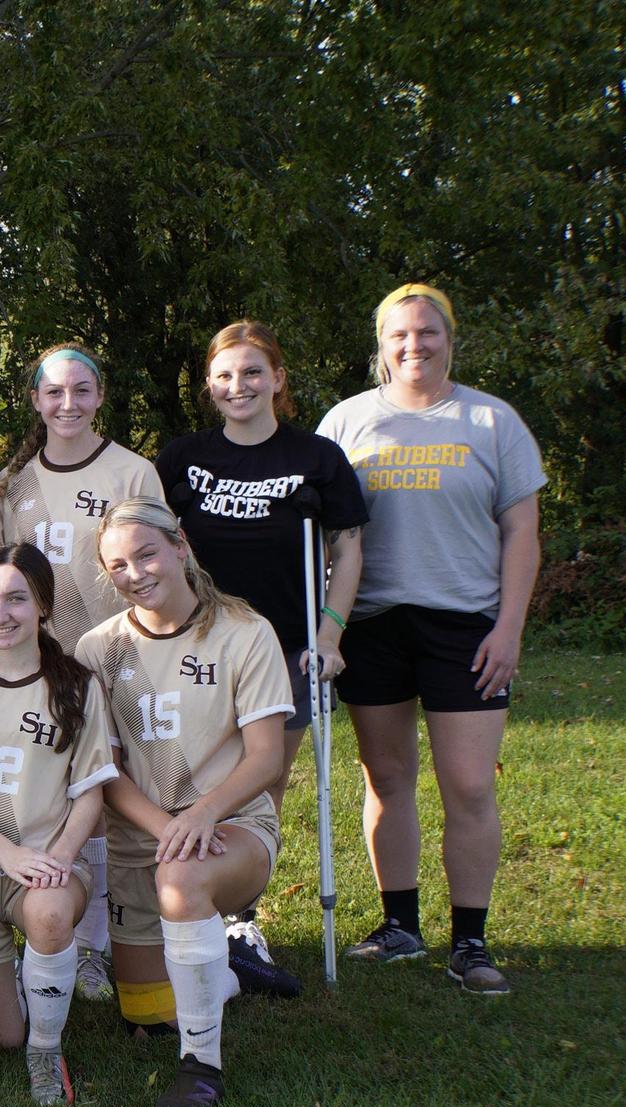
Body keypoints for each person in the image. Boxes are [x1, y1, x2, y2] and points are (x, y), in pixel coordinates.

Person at [317, 283, 543, 995]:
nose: (414, 346)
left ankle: (470, 941)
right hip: (374, 624)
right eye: (400, 336)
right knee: (386, 780)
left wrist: (509, 626)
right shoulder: (347, 421)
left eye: (427, 334)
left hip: (466, 625)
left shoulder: (491, 420)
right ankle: (400, 926)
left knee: (470, 785)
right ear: (381, 346)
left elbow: (522, 533)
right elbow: (321, 523)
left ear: (449, 338)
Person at [155, 321, 366, 980]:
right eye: (224, 375)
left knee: (260, 782)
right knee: (191, 774)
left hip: (285, 651)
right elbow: (155, 543)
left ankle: (241, 917)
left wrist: (329, 635)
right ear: (209, 387)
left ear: (277, 378)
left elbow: (348, 545)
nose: (238, 386)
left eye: (252, 373)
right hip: (199, 645)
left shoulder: (317, 457)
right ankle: (190, 906)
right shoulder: (182, 458)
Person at [77, 500, 292, 1107]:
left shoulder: (245, 633)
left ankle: (202, 1067)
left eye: (147, 553)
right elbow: (108, 771)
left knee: (181, 878)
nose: (136, 572)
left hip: (229, 827)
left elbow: (265, 758)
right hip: (142, 835)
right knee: (146, 1017)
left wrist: (201, 817)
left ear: (181, 546)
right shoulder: (99, 649)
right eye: (117, 564)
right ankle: (233, 972)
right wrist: (166, 827)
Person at [0, 344, 160, 1004]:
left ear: (99, 395)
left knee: (120, 795)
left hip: (119, 660)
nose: (67, 404)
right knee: (62, 800)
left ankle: (115, 936)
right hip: (42, 667)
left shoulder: (133, 470)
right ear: (35, 400)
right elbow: (0, 575)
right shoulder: (14, 481)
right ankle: (68, 938)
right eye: (53, 392)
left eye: (81, 390)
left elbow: (158, 564)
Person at [0, 545, 115, 1106]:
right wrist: (7, 854)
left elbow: (90, 796)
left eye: (16, 600)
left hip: (44, 866)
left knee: (52, 909)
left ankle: (47, 1047)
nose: (0, 615)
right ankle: (27, 983)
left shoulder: (77, 685)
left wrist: (56, 858)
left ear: (44, 607)